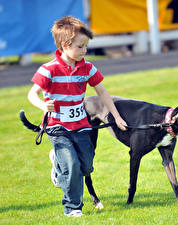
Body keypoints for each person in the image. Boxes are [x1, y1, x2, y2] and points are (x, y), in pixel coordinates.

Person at [28, 15, 127, 218]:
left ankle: (57, 165)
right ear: (65, 45)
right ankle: (73, 208)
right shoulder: (48, 70)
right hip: (57, 126)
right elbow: (32, 94)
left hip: (81, 125)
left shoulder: (88, 68)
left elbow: (103, 92)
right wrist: (43, 106)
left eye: (86, 47)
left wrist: (116, 116)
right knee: (71, 166)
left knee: (86, 166)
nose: (85, 51)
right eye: (80, 47)